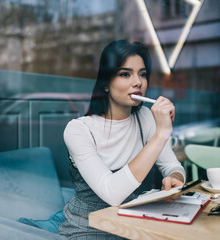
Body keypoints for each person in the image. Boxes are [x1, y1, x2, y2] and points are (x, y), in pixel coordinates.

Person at [58, 40, 185, 239]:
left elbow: (172, 166)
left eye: (142, 74)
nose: (138, 82)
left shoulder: (145, 117)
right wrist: (161, 134)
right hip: (88, 228)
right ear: (106, 84)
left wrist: (175, 181)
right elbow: (112, 193)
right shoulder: (79, 130)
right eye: (125, 74)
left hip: (130, 225)